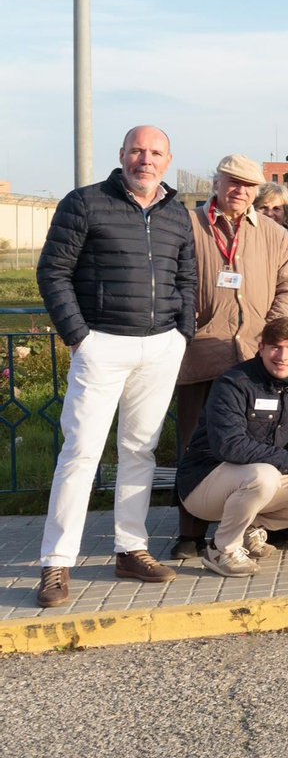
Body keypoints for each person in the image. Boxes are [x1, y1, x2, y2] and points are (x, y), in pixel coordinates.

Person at [34, 125, 195, 608]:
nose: (145, 159)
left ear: (168, 160)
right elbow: (53, 271)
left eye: (155, 152)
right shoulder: (83, 203)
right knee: (81, 453)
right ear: (122, 154)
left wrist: (180, 334)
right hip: (100, 345)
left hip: (159, 347)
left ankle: (131, 548)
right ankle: (56, 562)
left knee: (140, 451)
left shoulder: (177, 214)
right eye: (137, 151)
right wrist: (79, 338)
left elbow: (187, 276)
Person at [172, 154, 288, 560]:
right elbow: (170, 279)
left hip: (253, 358)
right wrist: (187, 322)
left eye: (248, 186)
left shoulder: (272, 233)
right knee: (196, 445)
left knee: (255, 444)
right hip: (200, 355)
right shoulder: (187, 224)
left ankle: (252, 529)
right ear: (216, 182)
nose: (239, 191)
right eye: (232, 182)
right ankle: (190, 532)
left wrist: (272, 335)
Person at [175, 317, 288, 576]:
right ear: (261, 348)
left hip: (251, 481)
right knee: (264, 475)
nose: (282, 356)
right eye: (275, 347)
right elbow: (229, 446)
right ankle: (220, 551)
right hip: (204, 482)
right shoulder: (234, 383)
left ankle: (248, 529)